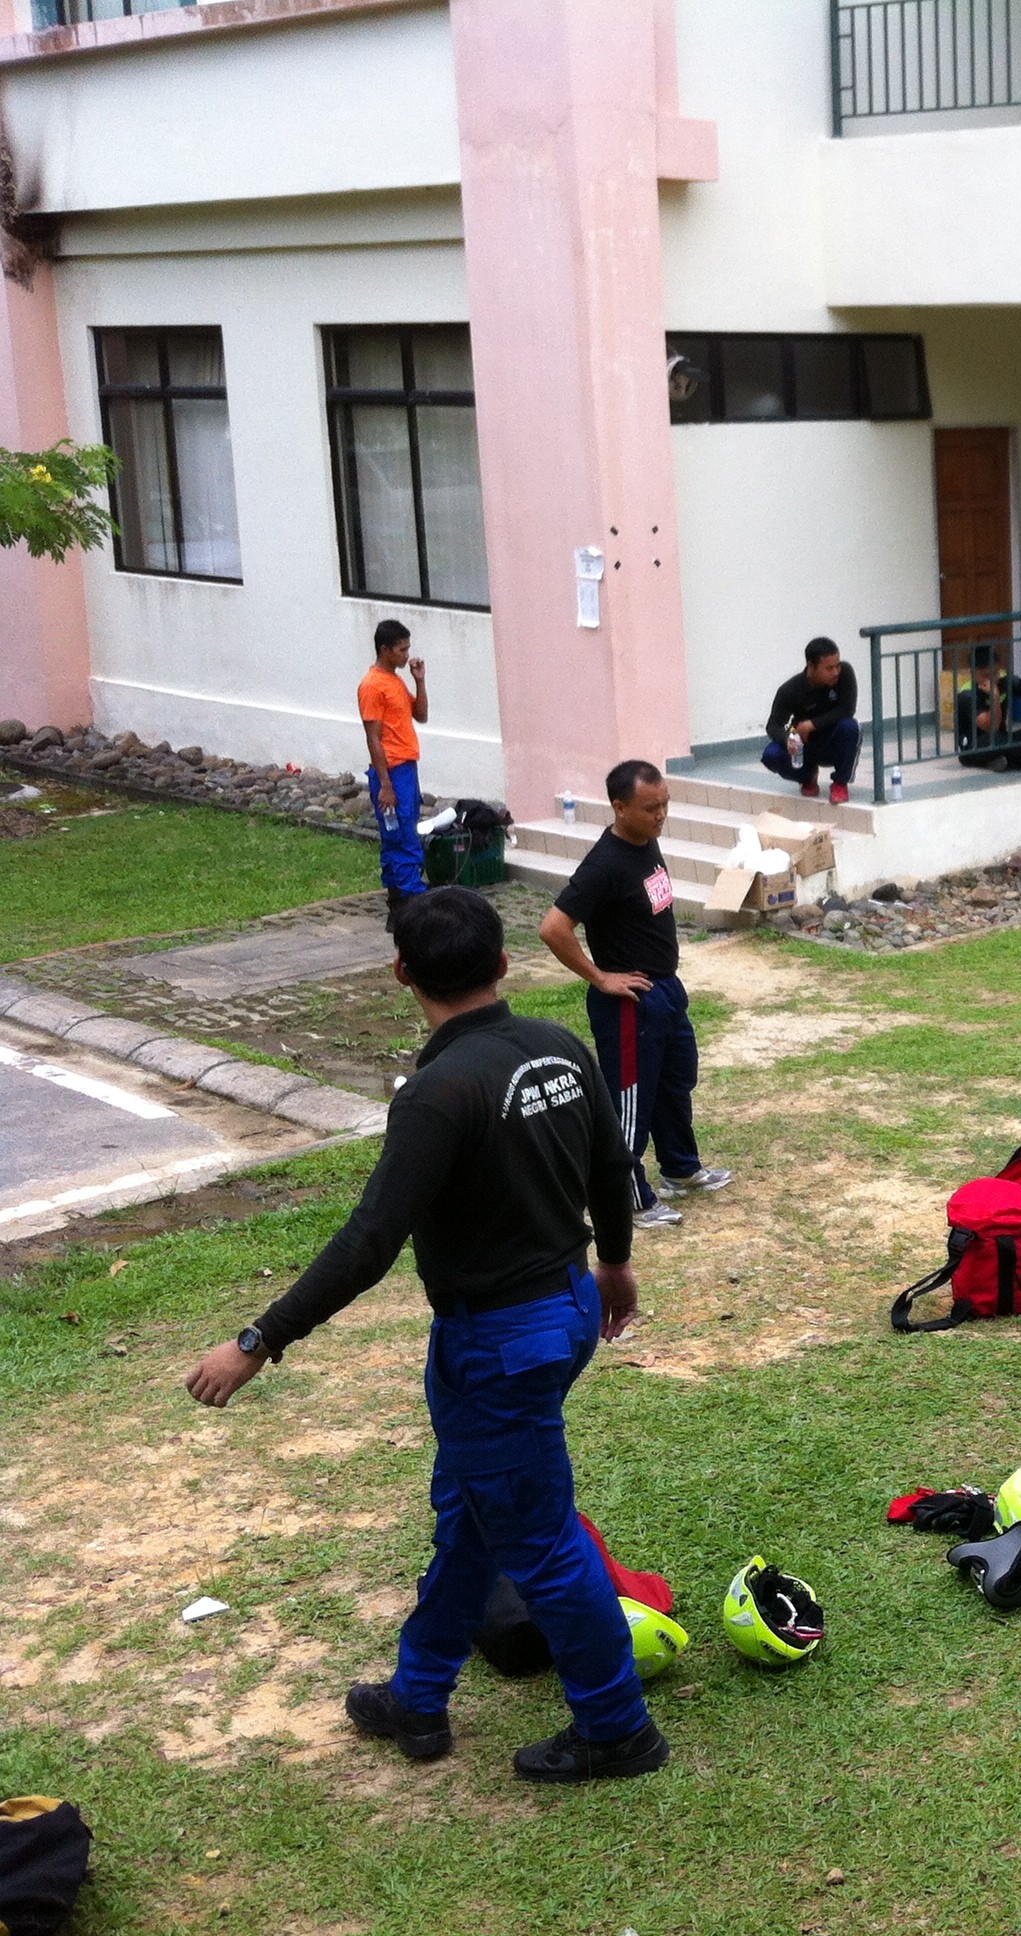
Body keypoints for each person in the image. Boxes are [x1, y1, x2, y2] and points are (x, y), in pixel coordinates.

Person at [182, 888, 669, 1784]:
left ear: (404, 972)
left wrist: (257, 1341)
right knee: (474, 1515)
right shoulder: (559, 1047)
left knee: (543, 1542)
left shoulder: (440, 1093)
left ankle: (616, 1727)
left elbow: (369, 1243)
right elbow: (611, 1164)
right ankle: (419, 1692)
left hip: (500, 1343)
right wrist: (615, 1261)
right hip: (560, 1312)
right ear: (505, 962)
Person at [538, 762, 733, 1229]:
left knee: (675, 1082)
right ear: (619, 807)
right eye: (651, 808)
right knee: (630, 1102)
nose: (661, 815)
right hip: (629, 1004)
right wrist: (600, 977)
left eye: (665, 804)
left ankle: (681, 1168)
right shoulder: (604, 864)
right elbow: (553, 928)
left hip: (666, 990)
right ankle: (627, 1195)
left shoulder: (646, 840)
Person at [359, 619, 429, 924]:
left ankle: (399, 902)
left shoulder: (395, 681)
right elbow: (373, 737)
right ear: (385, 650)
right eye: (402, 649)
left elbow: (421, 716)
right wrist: (385, 784)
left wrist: (419, 680)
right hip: (392, 772)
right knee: (401, 837)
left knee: (400, 834)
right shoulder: (373, 686)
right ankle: (411, 900)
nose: (406, 654)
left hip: (406, 768)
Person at [761, 637, 861, 805]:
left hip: (833, 741)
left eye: (837, 666)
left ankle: (840, 783)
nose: (836, 672)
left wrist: (811, 724)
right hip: (805, 746)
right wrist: (788, 738)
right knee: (771, 755)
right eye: (829, 668)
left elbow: (847, 709)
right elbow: (773, 725)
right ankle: (807, 776)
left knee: (850, 727)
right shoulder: (790, 690)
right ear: (811, 666)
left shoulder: (845, 674)